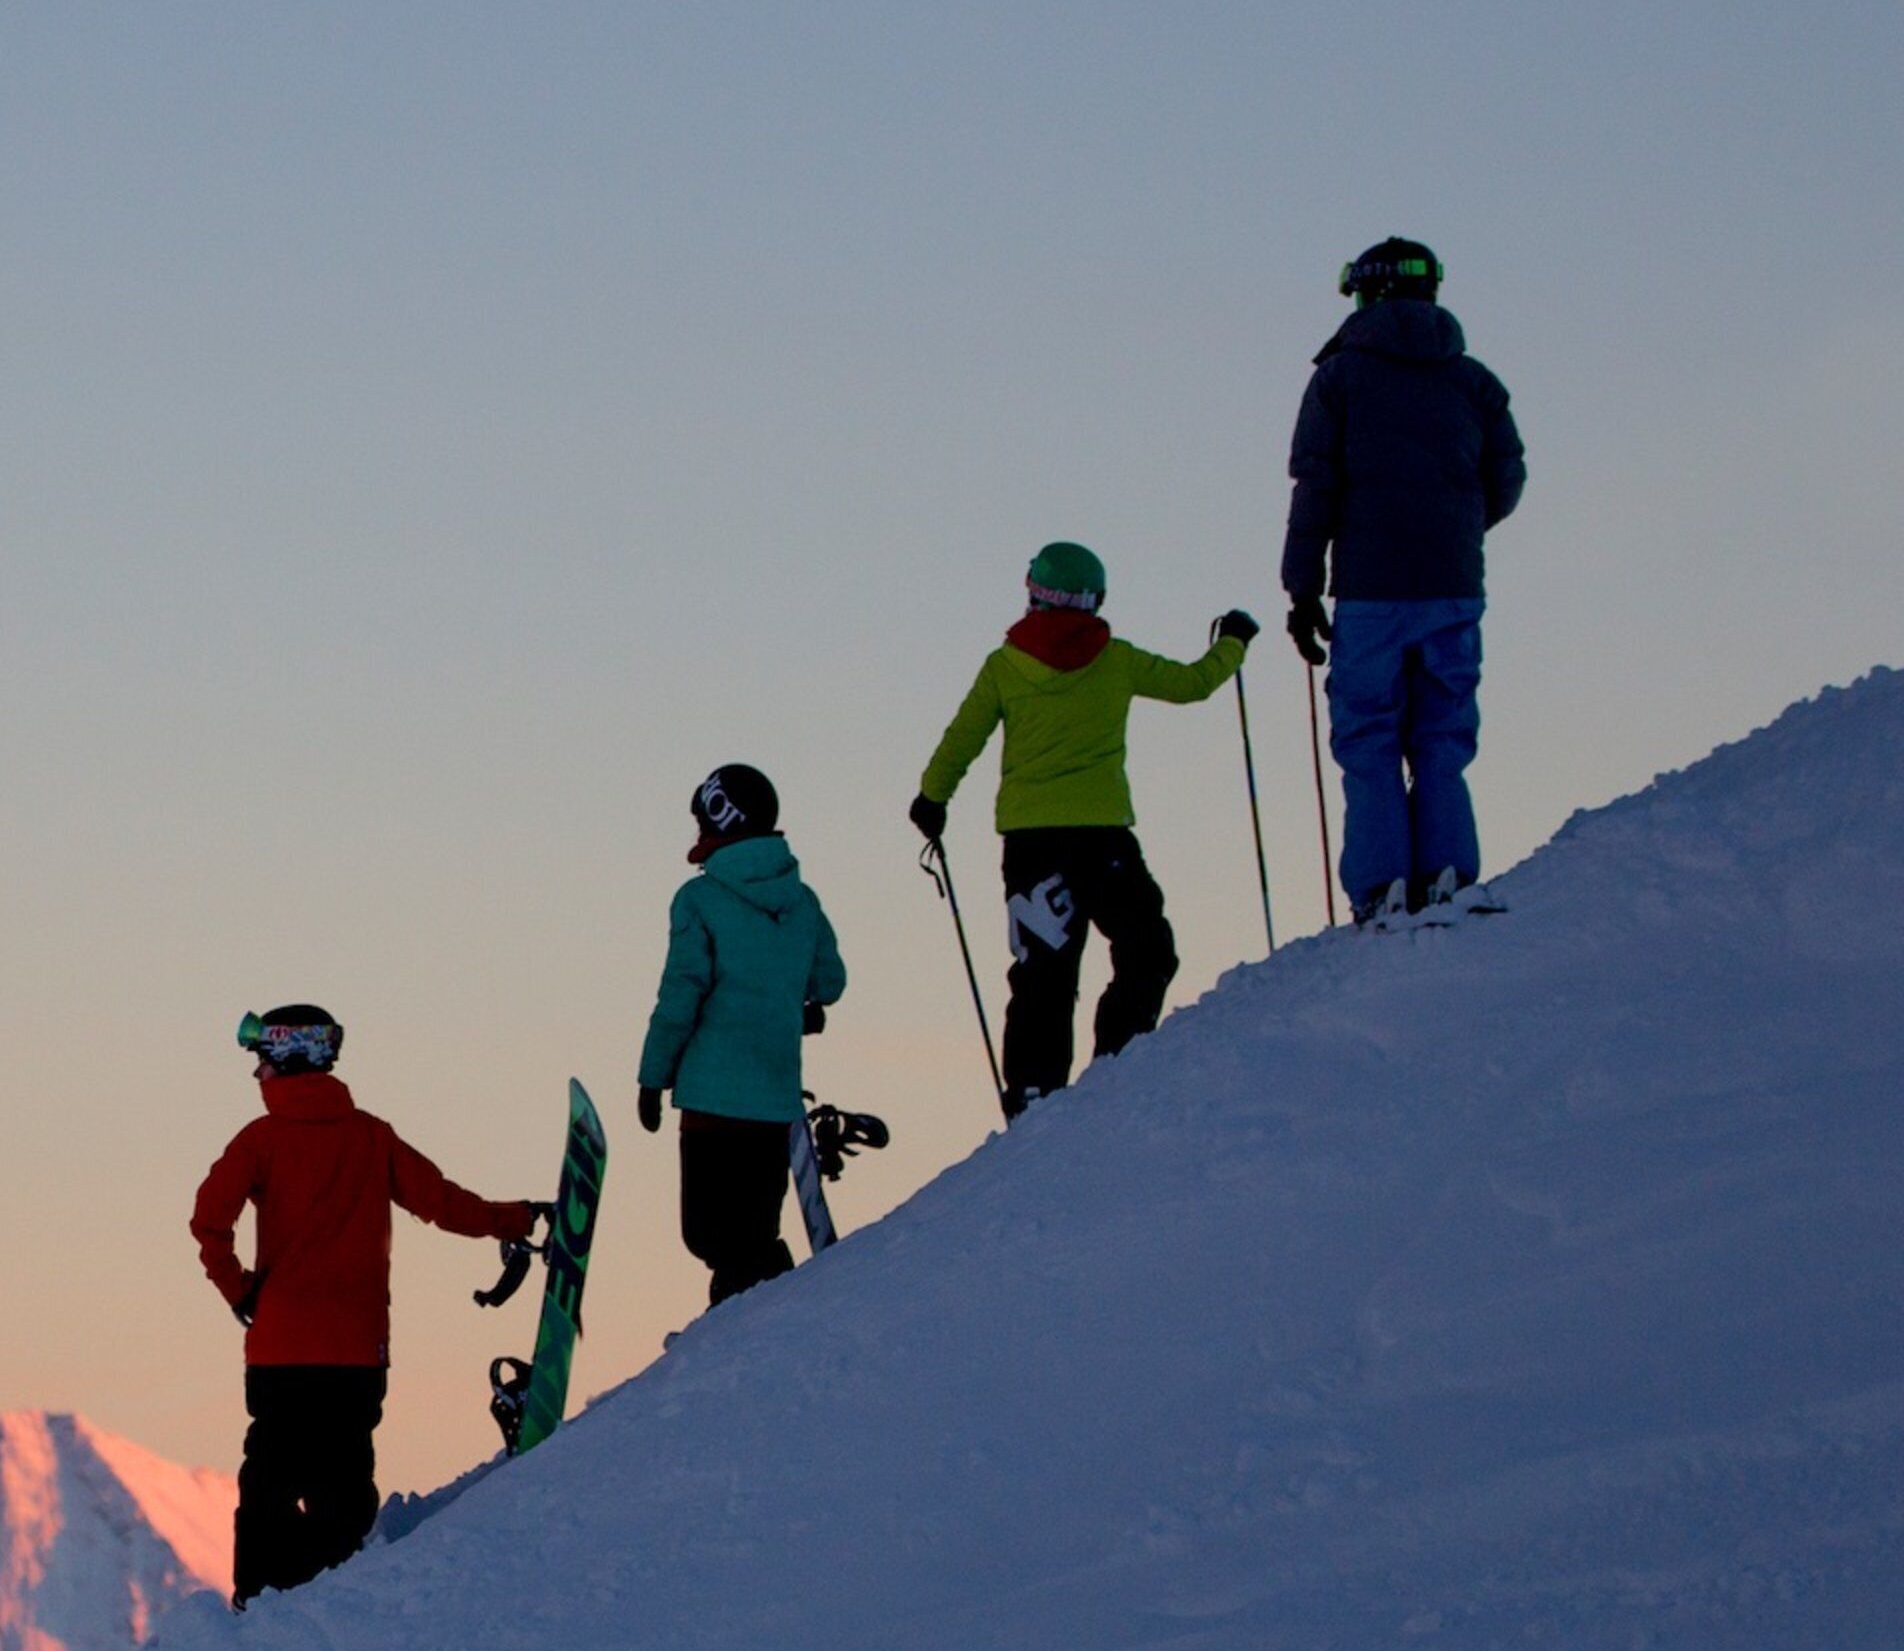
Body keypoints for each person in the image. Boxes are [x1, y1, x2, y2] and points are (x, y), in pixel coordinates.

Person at [190, 1005, 542, 1606]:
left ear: (288, 1060)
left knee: (271, 1478)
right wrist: (519, 1218)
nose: (256, 1074)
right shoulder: (372, 1137)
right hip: (357, 1350)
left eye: (262, 1061)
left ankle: (260, 1605)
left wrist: (238, 1289)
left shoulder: (259, 1141)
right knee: (344, 1481)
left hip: (280, 1350)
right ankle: (334, 1595)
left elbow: (207, 1222)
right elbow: (442, 1203)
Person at [910, 544, 1255, 1113]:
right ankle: (1118, 1064)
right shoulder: (1116, 660)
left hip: (1031, 843)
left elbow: (962, 738)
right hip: (1102, 838)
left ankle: (1032, 1091)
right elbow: (1193, 684)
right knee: (1146, 948)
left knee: (1043, 970)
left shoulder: (1004, 667)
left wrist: (932, 798)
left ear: (1034, 595)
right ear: (1095, 600)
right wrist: (1234, 641)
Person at [1282, 237, 1527, 919]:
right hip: (1453, 586)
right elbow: (1507, 477)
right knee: (1443, 732)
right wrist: (1457, 529)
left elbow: (1314, 486)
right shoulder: (1474, 380)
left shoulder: (1339, 379)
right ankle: (1448, 870)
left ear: (1366, 292)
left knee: (1369, 735)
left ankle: (1382, 884)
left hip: (1371, 590)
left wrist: (1302, 589)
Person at [633, 765, 847, 1307]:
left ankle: (746, 1320)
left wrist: (652, 1077)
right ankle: (764, 1317)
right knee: (753, 1232)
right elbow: (830, 982)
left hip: (711, 1100)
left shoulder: (698, 899)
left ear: (719, 818)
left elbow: (680, 996)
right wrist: (794, 1007)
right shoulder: (802, 901)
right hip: (775, 1099)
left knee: (708, 1234)